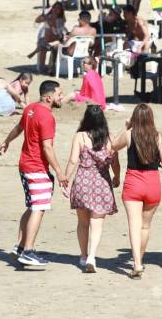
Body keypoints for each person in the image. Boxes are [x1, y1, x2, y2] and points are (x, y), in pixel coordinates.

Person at [0, 80, 67, 266]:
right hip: (36, 167)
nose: (62, 97)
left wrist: (6, 141)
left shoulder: (30, 108)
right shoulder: (47, 117)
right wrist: (60, 173)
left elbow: (18, 128)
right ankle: (28, 250)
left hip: (25, 165)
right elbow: (47, 148)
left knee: (31, 206)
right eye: (59, 94)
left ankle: (20, 247)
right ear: (49, 97)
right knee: (39, 207)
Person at [112, 103, 162, 279]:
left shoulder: (130, 135)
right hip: (152, 182)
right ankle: (140, 259)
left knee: (133, 224)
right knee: (145, 226)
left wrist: (126, 126)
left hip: (133, 183)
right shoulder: (158, 136)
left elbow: (112, 145)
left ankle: (136, 263)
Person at [64, 105, 121, 273]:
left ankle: (83, 255)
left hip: (82, 181)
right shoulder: (110, 139)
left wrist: (65, 179)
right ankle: (92, 256)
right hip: (101, 183)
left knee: (82, 223)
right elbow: (115, 163)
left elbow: (73, 160)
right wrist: (117, 177)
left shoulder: (80, 136)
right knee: (97, 223)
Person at [29, 2, 67, 74]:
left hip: (56, 38)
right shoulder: (47, 16)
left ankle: (51, 66)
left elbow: (57, 32)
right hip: (46, 38)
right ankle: (41, 68)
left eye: (58, 8)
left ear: (61, 10)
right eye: (55, 8)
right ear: (52, 8)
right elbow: (37, 22)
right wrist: (42, 17)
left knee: (53, 47)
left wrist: (51, 23)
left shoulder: (61, 19)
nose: (56, 10)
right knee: (43, 47)